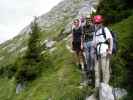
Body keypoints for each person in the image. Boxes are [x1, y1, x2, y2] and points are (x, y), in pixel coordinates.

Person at [93, 15, 113, 88]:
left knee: (104, 69)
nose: (97, 24)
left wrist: (110, 50)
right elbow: (94, 44)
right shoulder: (95, 32)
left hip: (104, 51)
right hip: (97, 53)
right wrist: (94, 49)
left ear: (101, 22)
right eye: (95, 23)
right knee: (97, 71)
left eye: (98, 23)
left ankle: (105, 86)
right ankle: (97, 88)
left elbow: (110, 39)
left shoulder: (105, 29)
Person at [82, 15, 95, 85]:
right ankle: (89, 71)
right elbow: (83, 35)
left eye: (89, 19)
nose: (88, 20)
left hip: (92, 42)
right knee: (87, 57)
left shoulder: (93, 26)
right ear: (86, 20)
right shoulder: (84, 27)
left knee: (92, 56)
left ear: (91, 19)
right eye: (87, 19)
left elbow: (94, 34)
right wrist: (82, 44)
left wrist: (88, 34)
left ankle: (92, 70)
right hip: (86, 43)